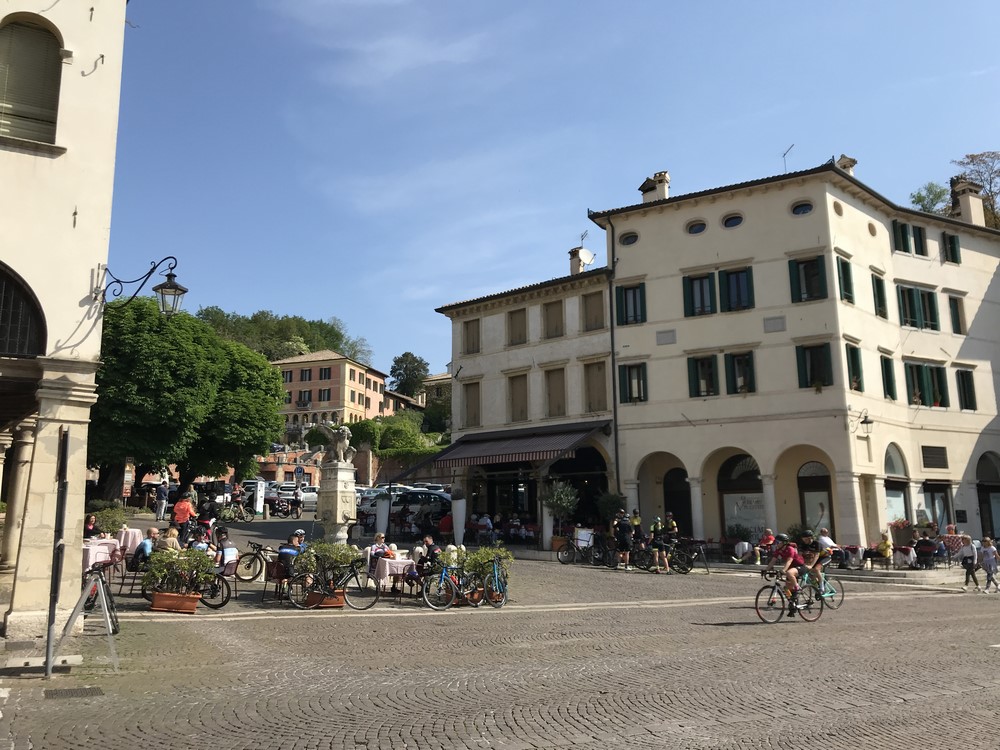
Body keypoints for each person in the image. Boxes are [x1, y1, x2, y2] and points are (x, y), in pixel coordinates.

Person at [763, 533, 805, 614]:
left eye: (778, 542)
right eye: (776, 542)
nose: (776, 544)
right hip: (790, 568)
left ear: (784, 543)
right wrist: (766, 570)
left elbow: (789, 561)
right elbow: (773, 561)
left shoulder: (790, 549)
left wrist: (783, 570)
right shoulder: (779, 550)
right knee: (787, 588)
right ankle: (793, 603)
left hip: (800, 566)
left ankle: (798, 588)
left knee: (789, 573)